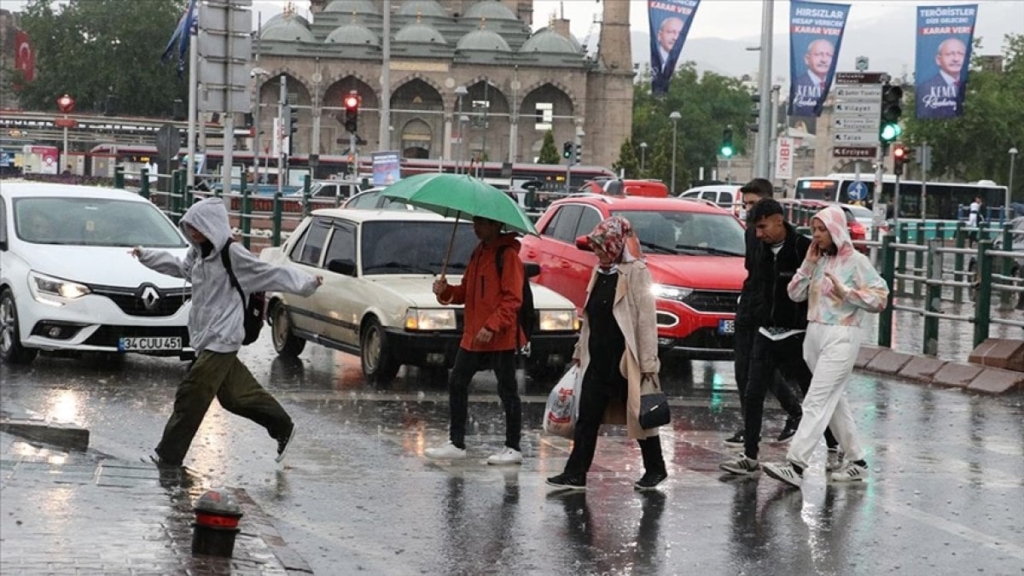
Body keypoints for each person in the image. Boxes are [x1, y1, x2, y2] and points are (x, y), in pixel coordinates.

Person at [130, 197, 322, 467]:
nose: (192, 232)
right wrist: (145, 256)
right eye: (189, 227)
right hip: (204, 337)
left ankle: (167, 456)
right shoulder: (197, 254)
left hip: (223, 337)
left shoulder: (232, 254)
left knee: (192, 392)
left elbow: (270, 273)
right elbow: (178, 267)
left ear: (211, 226)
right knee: (235, 397)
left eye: (197, 227)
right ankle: (283, 428)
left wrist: (308, 283)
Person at [762, 206, 889, 488]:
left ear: (836, 230)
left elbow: (881, 298)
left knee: (817, 400)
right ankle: (857, 460)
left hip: (842, 335)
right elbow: (794, 293)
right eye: (814, 230)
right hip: (815, 334)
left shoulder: (856, 262)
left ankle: (796, 464)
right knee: (834, 402)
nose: (816, 235)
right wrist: (807, 264)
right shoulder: (818, 260)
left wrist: (849, 293)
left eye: (822, 230)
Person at [546, 216, 667, 491]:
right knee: (587, 418)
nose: (598, 252)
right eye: (595, 247)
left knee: (640, 417)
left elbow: (647, 320)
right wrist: (579, 350)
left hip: (625, 360)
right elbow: (589, 317)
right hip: (596, 358)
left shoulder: (636, 272)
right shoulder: (599, 272)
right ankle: (575, 473)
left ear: (616, 244)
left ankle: (656, 468)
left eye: (602, 246)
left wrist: (649, 363)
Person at [720, 199, 839, 476]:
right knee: (753, 393)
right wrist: (752, 316)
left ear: (777, 220)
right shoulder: (759, 248)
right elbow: (755, 282)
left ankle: (834, 445)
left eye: (763, 227)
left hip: (797, 333)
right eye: (756, 229)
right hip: (764, 330)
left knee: (812, 393)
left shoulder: (802, 247)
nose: (759, 234)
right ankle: (750, 456)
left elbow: (821, 284)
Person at [425, 216, 526, 465]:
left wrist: (492, 326)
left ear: (495, 224)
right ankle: (456, 442)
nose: (475, 227)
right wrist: (446, 291)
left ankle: (513, 446)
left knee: (507, 390)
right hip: (473, 335)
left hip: (498, 336)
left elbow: (513, 298)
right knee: (457, 382)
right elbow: (465, 292)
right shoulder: (479, 252)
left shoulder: (507, 256)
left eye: (480, 223)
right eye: (474, 222)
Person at [726, 179, 805, 448]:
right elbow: (753, 269)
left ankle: (796, 413)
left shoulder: (791, 242)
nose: (749, 209)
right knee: (746, 369)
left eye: (753, 203)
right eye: (745, 204)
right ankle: (752, 430)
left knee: (762, 369)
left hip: (771, 311)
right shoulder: (753, 232)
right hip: (751, 304)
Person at [916, 37, 967, 119]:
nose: (956, 59)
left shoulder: (970, 87)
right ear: (938, 60)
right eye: (949, 54)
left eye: (960, 54)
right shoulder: (925, 88)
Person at [790, 39, 835, 117]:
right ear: (807, 59)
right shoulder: (798, 83)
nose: (824, 60)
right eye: (818, 54)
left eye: (829, 55)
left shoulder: (828, 85)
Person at [651, 16, 684, 93]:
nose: (675, 38)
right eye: (670, 32)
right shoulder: (655, 58)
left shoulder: (678, 65)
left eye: (680, 34)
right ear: (659, 35)